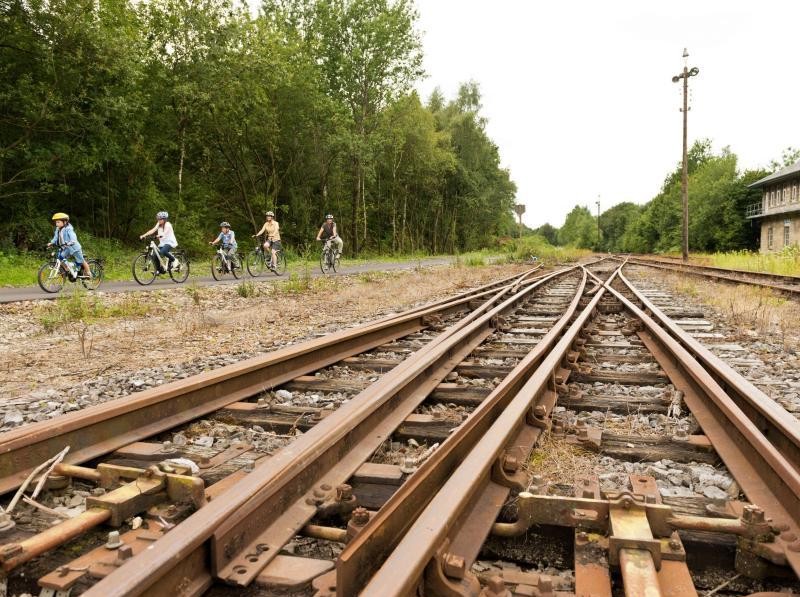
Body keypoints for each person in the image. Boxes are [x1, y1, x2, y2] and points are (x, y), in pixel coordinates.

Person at [47, 213, 91, 278]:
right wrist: (51, 243)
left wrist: (71, 242)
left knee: (81, 261)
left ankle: (89, 273)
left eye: (58, 222)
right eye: (56, 222)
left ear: (64, 222)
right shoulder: (58, 229)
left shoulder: (69, 229)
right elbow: (56, 237)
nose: (56, 224)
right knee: (60, 257)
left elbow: (73, 237)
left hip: (74, 248)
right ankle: (67, 270)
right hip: (66, 248)